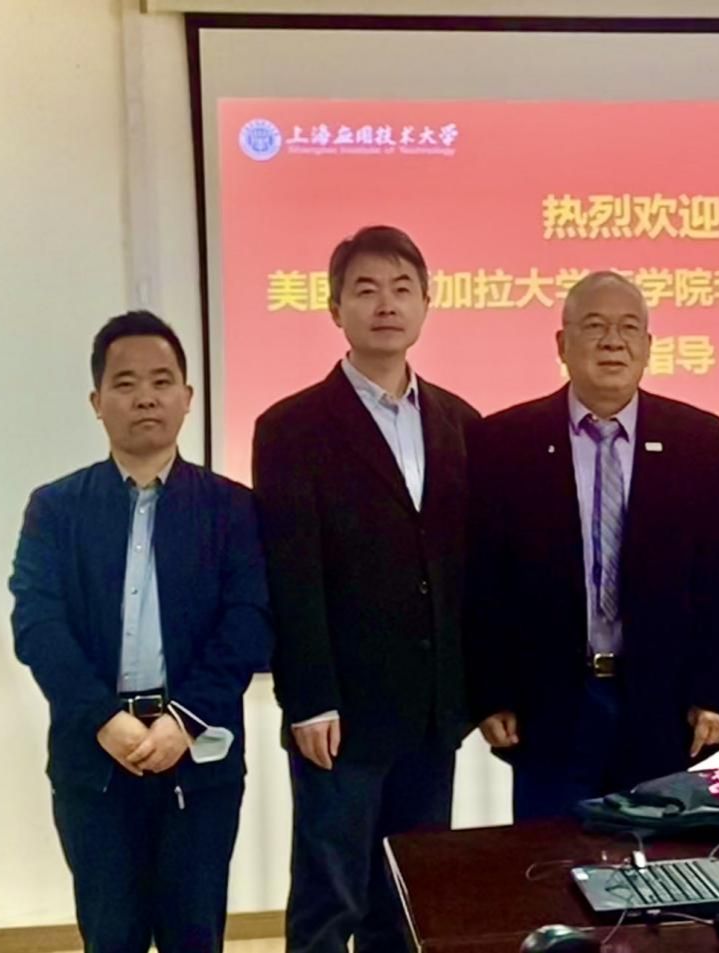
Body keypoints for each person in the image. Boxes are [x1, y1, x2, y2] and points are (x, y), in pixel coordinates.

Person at [10, 310, 270, 953]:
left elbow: (248, 621)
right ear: (97, 402)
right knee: (110, 935)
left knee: (195, 935)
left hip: (198, 758)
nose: (145, 397)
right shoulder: (55, 509)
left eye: (161, 381)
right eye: (125, 383)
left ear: (187, 396)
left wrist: (183, 720)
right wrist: (103, 717)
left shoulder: (232, 508)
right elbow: (37, 624)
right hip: (94, 757)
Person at [252, 226, 479, 952]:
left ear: (426, 303)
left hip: (432, 712)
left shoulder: (460, 422)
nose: (386, 304)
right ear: (334, 307)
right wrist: (309, 698)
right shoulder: (290, 428)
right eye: (366, 289)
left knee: (410, 900)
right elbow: (293, 573)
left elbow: (467, 570)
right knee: (330, 901)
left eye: (402, 288)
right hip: (340, 713)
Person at [467, 271, 719, 819]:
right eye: (594, 326)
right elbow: (484, 580)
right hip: (547, 708)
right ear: (562, 344)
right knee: (549, 860)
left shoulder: (696, 438)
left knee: (656, 859)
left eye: (628, 328)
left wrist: (715, 691)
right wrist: (491, 692)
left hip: (661, 708)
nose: (612, 342)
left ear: (648, 345)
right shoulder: (505, 440)